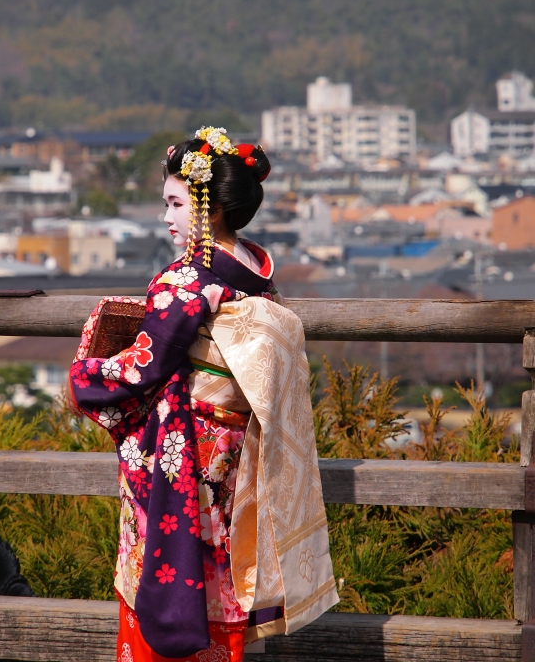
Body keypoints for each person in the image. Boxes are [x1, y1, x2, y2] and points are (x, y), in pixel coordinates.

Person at [68, 127, 337, 662]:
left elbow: (144, 367)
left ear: (209, 210)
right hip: (234, 457)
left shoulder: (183, 280)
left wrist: (87, 377)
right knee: (220, 578)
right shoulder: (256, 274)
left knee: (162, 568)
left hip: (184, 450)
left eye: (174, 204)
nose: (166, 218)